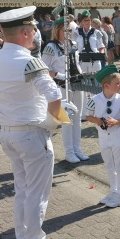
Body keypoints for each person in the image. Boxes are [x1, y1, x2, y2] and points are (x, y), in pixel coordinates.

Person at [0, 6, 66, 239]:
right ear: (23, 32)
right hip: (32, 134)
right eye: (32, 30)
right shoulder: (29, 61)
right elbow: (55, 96)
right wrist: (57, 123)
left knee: (22, 191)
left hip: (8, 133)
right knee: (36, 193)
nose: (35, 34)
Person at [41, 18, 88, 163]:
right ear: (57, 30)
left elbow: (77, 64)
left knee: (78, 117)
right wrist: (57, 75)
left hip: (76, 83)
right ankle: (69, 152)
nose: (68, 33)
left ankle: (77, 149)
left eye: (70, 30)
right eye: (65, 30)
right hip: (61, 86)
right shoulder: (51, 47)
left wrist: (82, 76)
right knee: (66, 119)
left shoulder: (73, 44)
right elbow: (43, 69)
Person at [85, 65, 120, 208]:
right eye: (117, 83)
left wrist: (117, 122)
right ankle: (113, 190)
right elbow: (88, 116)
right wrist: (98, 121)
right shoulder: (95, 99)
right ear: (106, 85)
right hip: (103, 137)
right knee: (109, 165)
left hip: (118, 136)